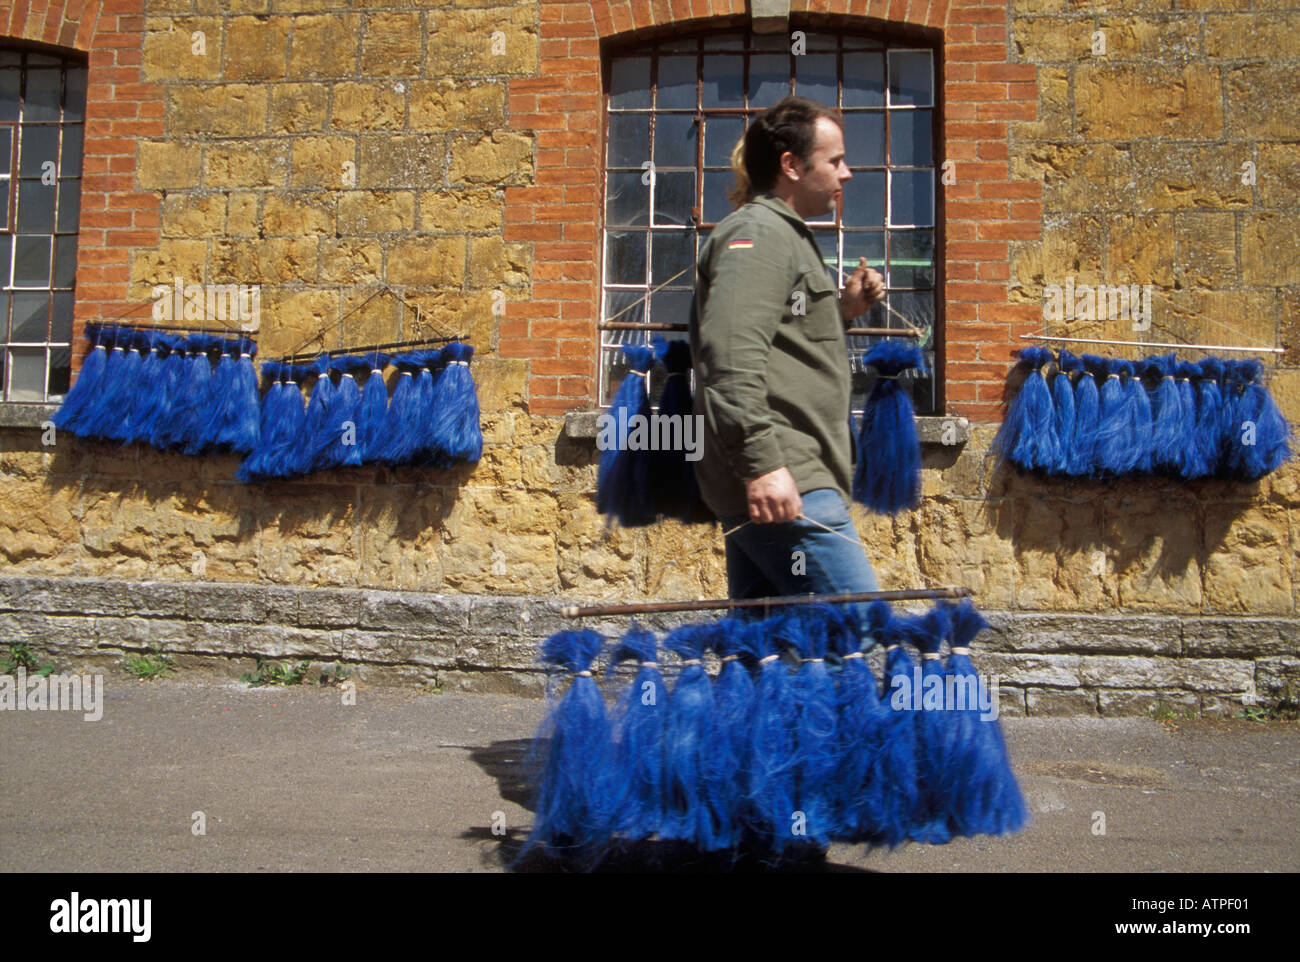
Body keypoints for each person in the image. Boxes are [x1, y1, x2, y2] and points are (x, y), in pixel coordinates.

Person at [689, 96, 887, 618]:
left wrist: (844, 308)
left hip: (787, 480)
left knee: (770, 653)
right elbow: (729, 355)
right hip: (786, 483)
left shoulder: (783, 236)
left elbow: (782, 343)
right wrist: (764, 466)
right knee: (860, 626)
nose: (847, 173)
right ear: (792, 166)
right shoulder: (758, 234)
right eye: (834, 160)